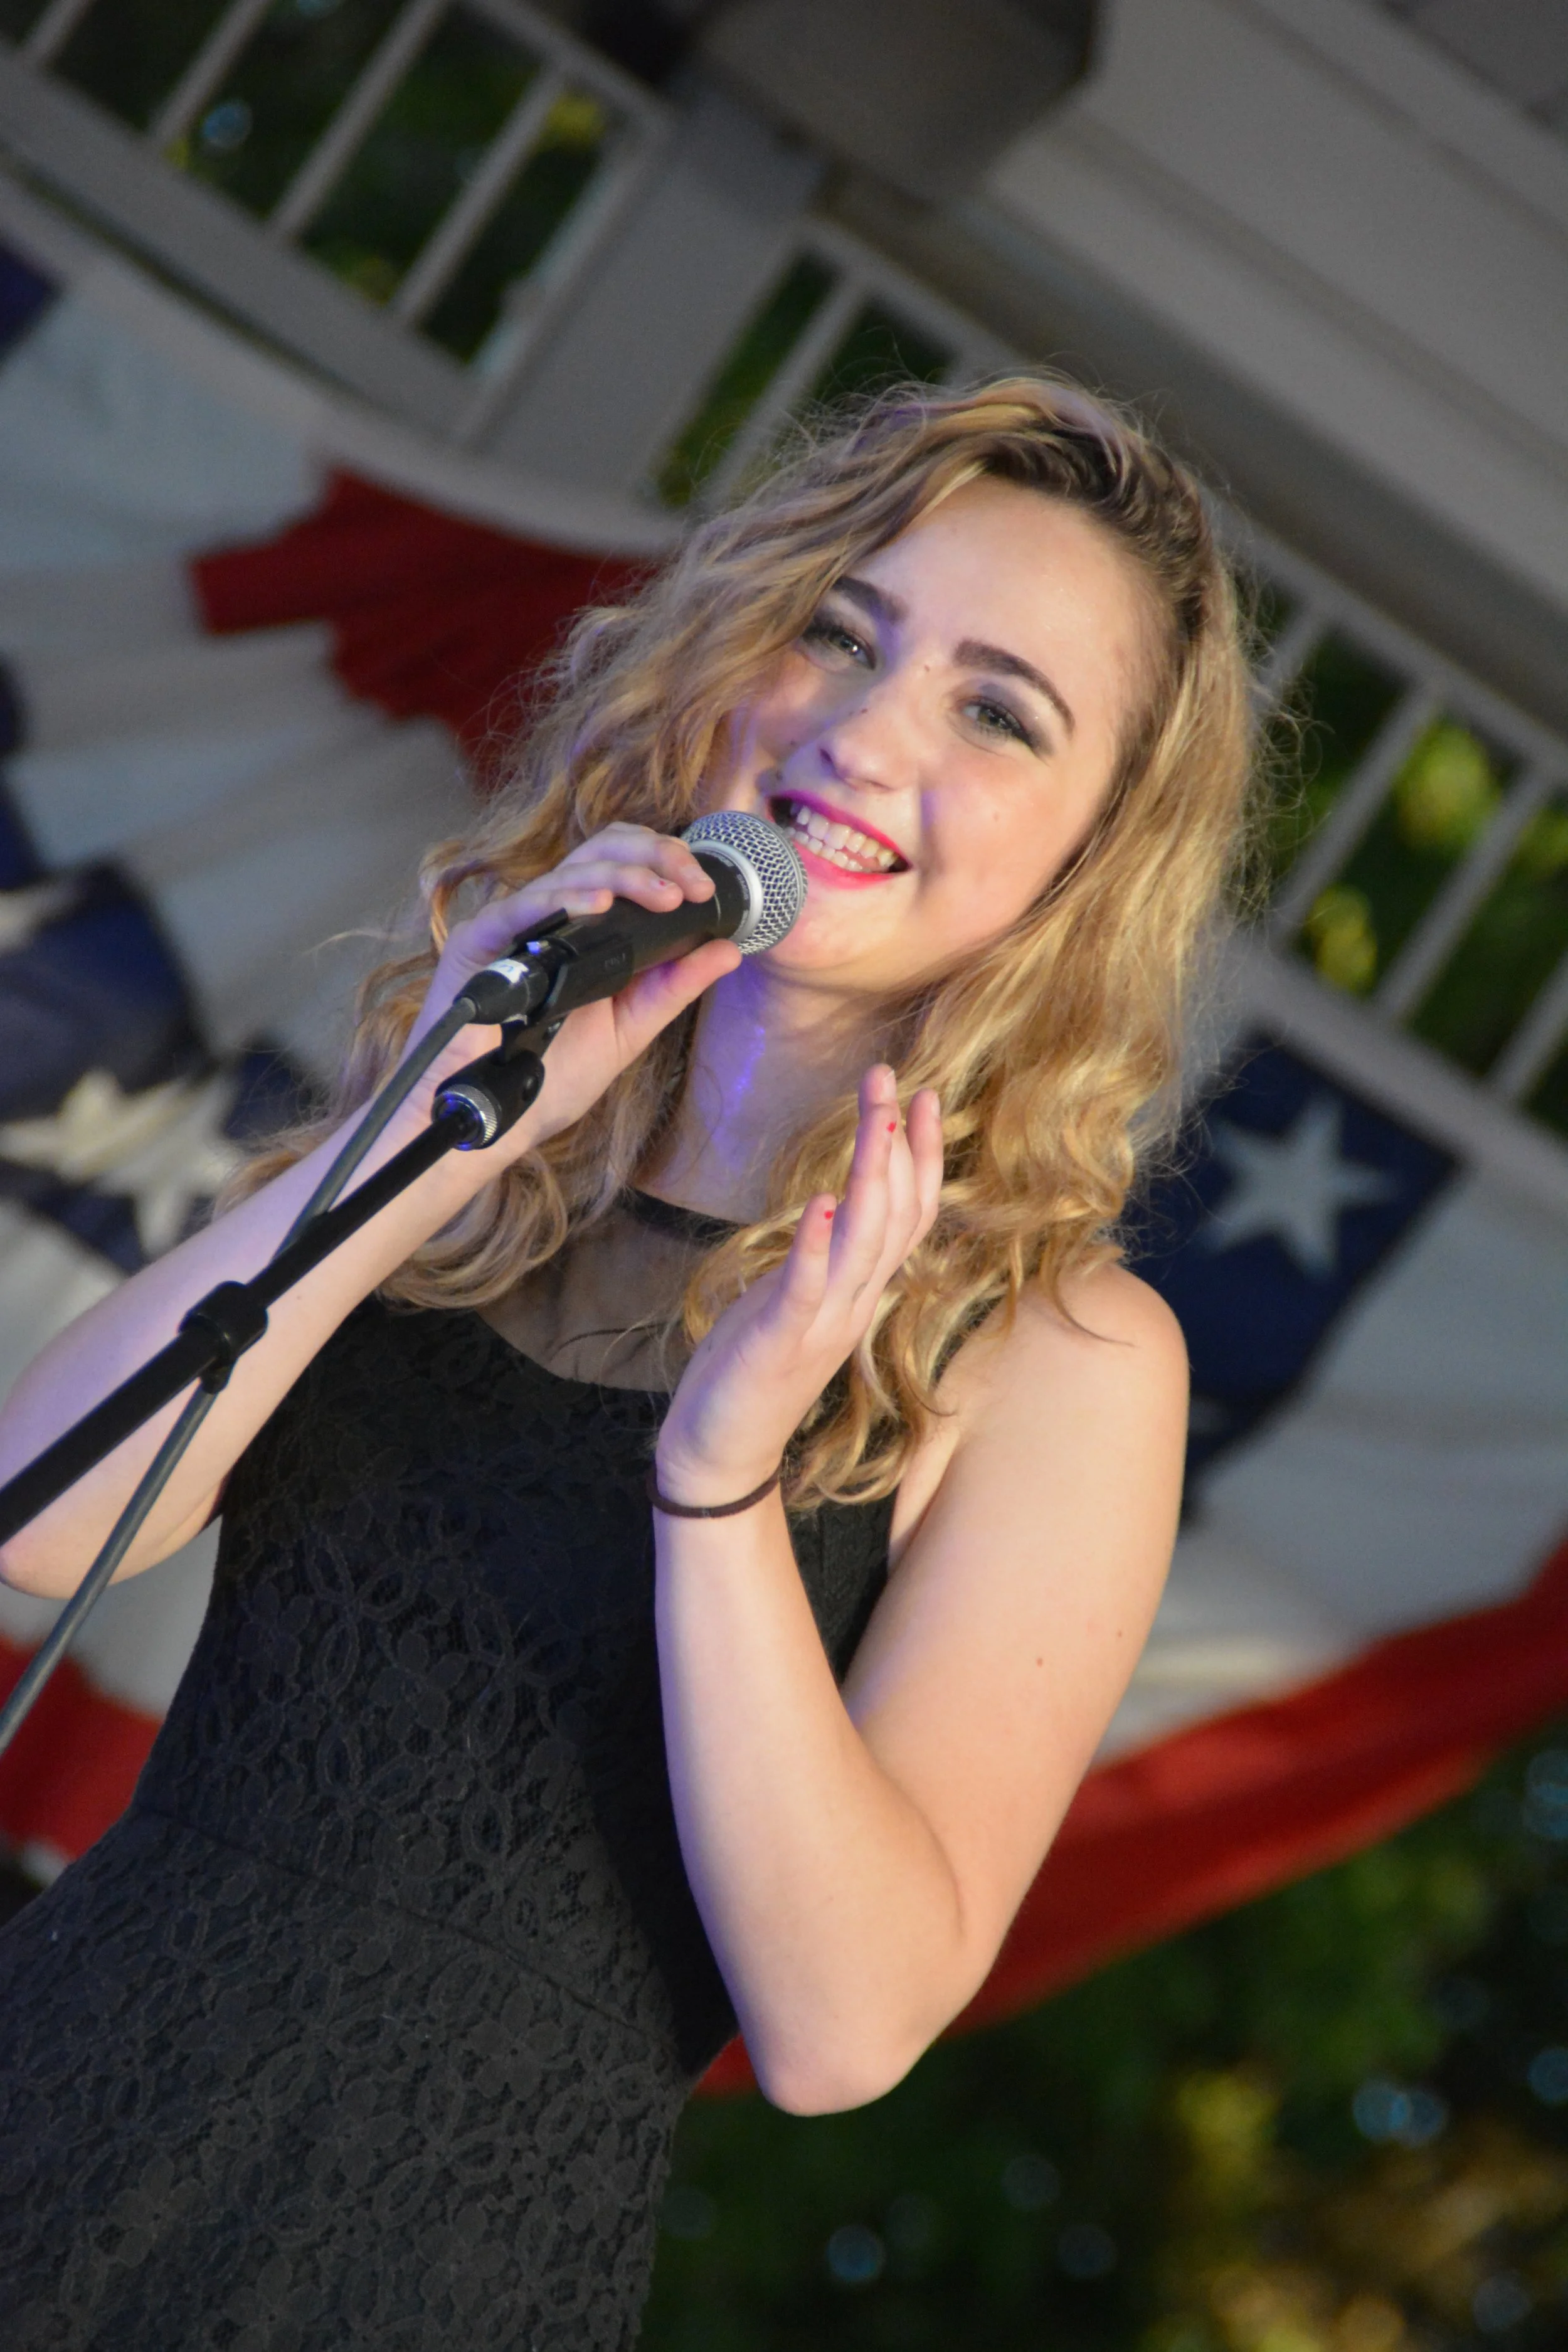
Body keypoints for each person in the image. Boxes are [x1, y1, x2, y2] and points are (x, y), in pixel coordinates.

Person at [0, 375, 1253, 2348]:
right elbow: (47, 1521)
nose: (864, 727)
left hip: (436, 2269)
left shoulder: (1062, 1353)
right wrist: (427, 1134)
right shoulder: (487, 1115)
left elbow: (844, 2021)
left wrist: (725, 1477)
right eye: (842, 628)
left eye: (995, 709)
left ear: (1089, 860)